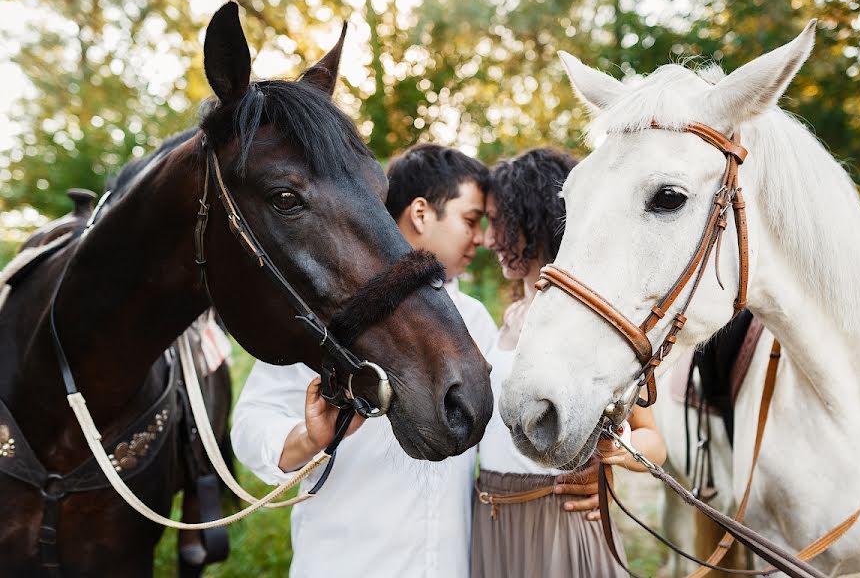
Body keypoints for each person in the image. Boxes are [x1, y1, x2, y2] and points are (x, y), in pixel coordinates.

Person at [230, 144, 498, 578]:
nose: (482, 237)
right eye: (471, 219)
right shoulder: (332, 307)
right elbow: (250, 426)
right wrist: (308, 438)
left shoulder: (476, 321)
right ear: (422, 213)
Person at [471, 148, 668, 578]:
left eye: (498, 220)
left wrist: (612, 456)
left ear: (534, 217)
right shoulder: (502, 321)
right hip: (491, 521)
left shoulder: (593, 323)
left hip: (555, 519)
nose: (488, 239)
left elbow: (654, 441)